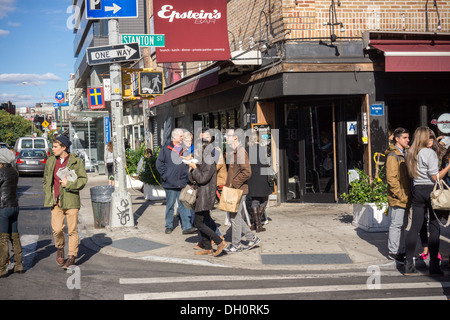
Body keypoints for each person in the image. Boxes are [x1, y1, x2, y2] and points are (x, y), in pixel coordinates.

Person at [404, 127, 450, 276]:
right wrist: (449, 166)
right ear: (424, 138)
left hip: (417, 190)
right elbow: (435, 177)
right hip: (431, 190)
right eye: (429, 138)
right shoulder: (429, 153)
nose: (432, 140)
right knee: (435, 226)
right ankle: (434, 266)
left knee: (415, 227)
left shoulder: (411, 153)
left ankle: (408, 264)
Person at [43, 135, 88, 269]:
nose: (53, 149)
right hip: (55, 201)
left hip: (71, 200)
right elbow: (46, 179)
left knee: (73, 230)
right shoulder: (51, 161)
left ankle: (71, 256)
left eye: (56, 147)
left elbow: (83, 180)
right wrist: (47, 192)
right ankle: (60, 247)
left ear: (64, 147)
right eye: (53, 146)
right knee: (57, 230)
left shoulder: (76, 161)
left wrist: (69, 184)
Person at [188, 130, 228, 257]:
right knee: (202, 221)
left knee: (198, 222)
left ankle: (219, 241)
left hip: (206, 195)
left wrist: (194, 169)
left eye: (197, 149)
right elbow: (194, 178)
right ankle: (208, 247)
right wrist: (192, 168)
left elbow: (202, 178)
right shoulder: (203, 160)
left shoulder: (210, 160)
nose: (196, 151)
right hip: (201, 194)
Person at [224, 128, 260, 253]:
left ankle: (236, 245)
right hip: (235, 189)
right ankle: (252, 238)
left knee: (234, 217)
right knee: (236, 217)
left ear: (235, 137)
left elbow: (247, 172)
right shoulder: (234, 151)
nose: (225, 137)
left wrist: (234, 183)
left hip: (238, 190)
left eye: (228, 135)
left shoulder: (240, 152)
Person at [156, 128, 196, 235]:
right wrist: (166, 175)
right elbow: (159, 164)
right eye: (181, 136)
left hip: (183, 182)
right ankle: (168, 226)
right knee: (170, 205)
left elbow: (188, 162)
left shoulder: (185, 149)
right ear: (174, 137)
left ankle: (187, 226)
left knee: (184, 204)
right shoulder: (166, 149)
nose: (183, 138)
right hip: (170, 183)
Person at [385, 127, 411, 263]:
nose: (408, 140)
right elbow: (391, 179)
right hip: (398, 197)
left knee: (402, 224)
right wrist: (401, 195)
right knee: (396, 224)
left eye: (408, 137)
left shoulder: (404, 153)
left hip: (405, 195)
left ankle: (401, 250)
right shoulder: (393, 156)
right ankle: (394, 252)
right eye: (405, 137)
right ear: (397, 139)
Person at [0, 149, 22, 277]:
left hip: (3, 208)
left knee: (2, 239)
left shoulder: (1, 173)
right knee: (15, 236)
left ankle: (1, 268)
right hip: (14, 207)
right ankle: (19, 264)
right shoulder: (14, 171)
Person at [247, 131, 272, 232]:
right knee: (264, 199)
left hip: (252, 178)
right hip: (262, 177)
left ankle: (255, 224)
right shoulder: (262, 149)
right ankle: (258, 224)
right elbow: (266, 162)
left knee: (255, 200)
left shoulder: (247, 149)